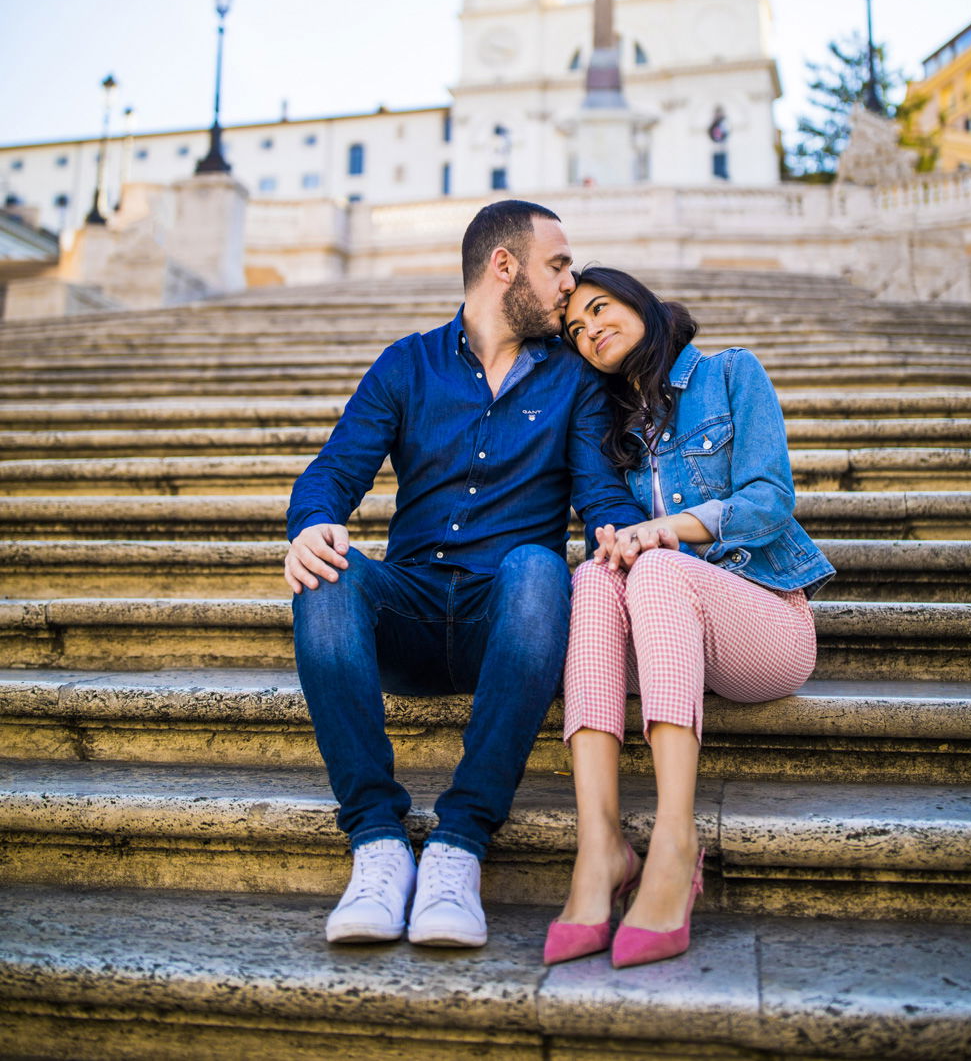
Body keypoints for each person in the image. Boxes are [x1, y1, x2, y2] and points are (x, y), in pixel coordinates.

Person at [284, 204, 649, 950]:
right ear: (505, 266)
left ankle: (458, 849)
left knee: (540, 567)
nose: (569, 285)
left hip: (510, 620)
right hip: (410, 613)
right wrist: (311, 524)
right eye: (557, 266)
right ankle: (378, 845)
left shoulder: (573, 380)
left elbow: (598, 490)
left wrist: (624, 528)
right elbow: (334, 471)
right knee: (329, 572)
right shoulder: (406, 364)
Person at [544, 266, 835, 970]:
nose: (590, 332)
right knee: (591, 575)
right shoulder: (610, 425)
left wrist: (668, 529)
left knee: (663, 562)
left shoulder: (732, 373)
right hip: (669, 633)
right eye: (576, 329)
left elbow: (769, 499)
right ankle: (599, 847)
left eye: (601, 309)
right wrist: (618, 540)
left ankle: (675, 843)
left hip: (765, 623)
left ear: (641, 303)